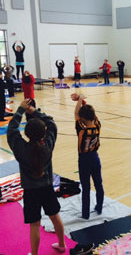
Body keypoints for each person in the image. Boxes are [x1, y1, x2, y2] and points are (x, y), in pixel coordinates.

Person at [7, 99, 66, 255]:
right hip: (46, 188)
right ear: (43, 133)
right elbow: (51, 123)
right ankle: (62, 244)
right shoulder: (47, 145)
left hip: (31, 192)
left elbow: (12, 130)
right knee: (54, 216)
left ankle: (34, 254)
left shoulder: (21, 149)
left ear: (26, 133)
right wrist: (34, 112)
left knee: (35, 225)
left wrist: (20, 110)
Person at [72, 93, 104, 219]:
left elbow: (76, 114)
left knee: (86, 187)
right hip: (95, 158)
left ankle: (85, 214)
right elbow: (92, 115)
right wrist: (82, 101)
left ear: (82, 118)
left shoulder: (81, 130)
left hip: (84, 160)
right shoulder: (98, 126)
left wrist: (79, 101)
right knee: (98, 184)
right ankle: (99, 207)